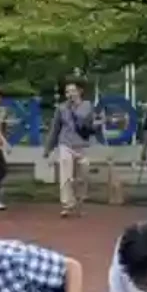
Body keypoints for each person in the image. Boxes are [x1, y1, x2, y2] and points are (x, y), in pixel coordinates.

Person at [43, 81, 101, 217]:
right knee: (66, 176)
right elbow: (55, 128)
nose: (70, 94)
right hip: (66, 144)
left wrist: (97, 124)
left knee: (82, 177)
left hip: (82, 146)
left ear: (80, 91)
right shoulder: (62, 108)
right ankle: (67, 205)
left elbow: (92, 124)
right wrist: (48, 148)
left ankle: (80, 203)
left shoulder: (87, 106)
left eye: (73, 91)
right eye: (67, 92)